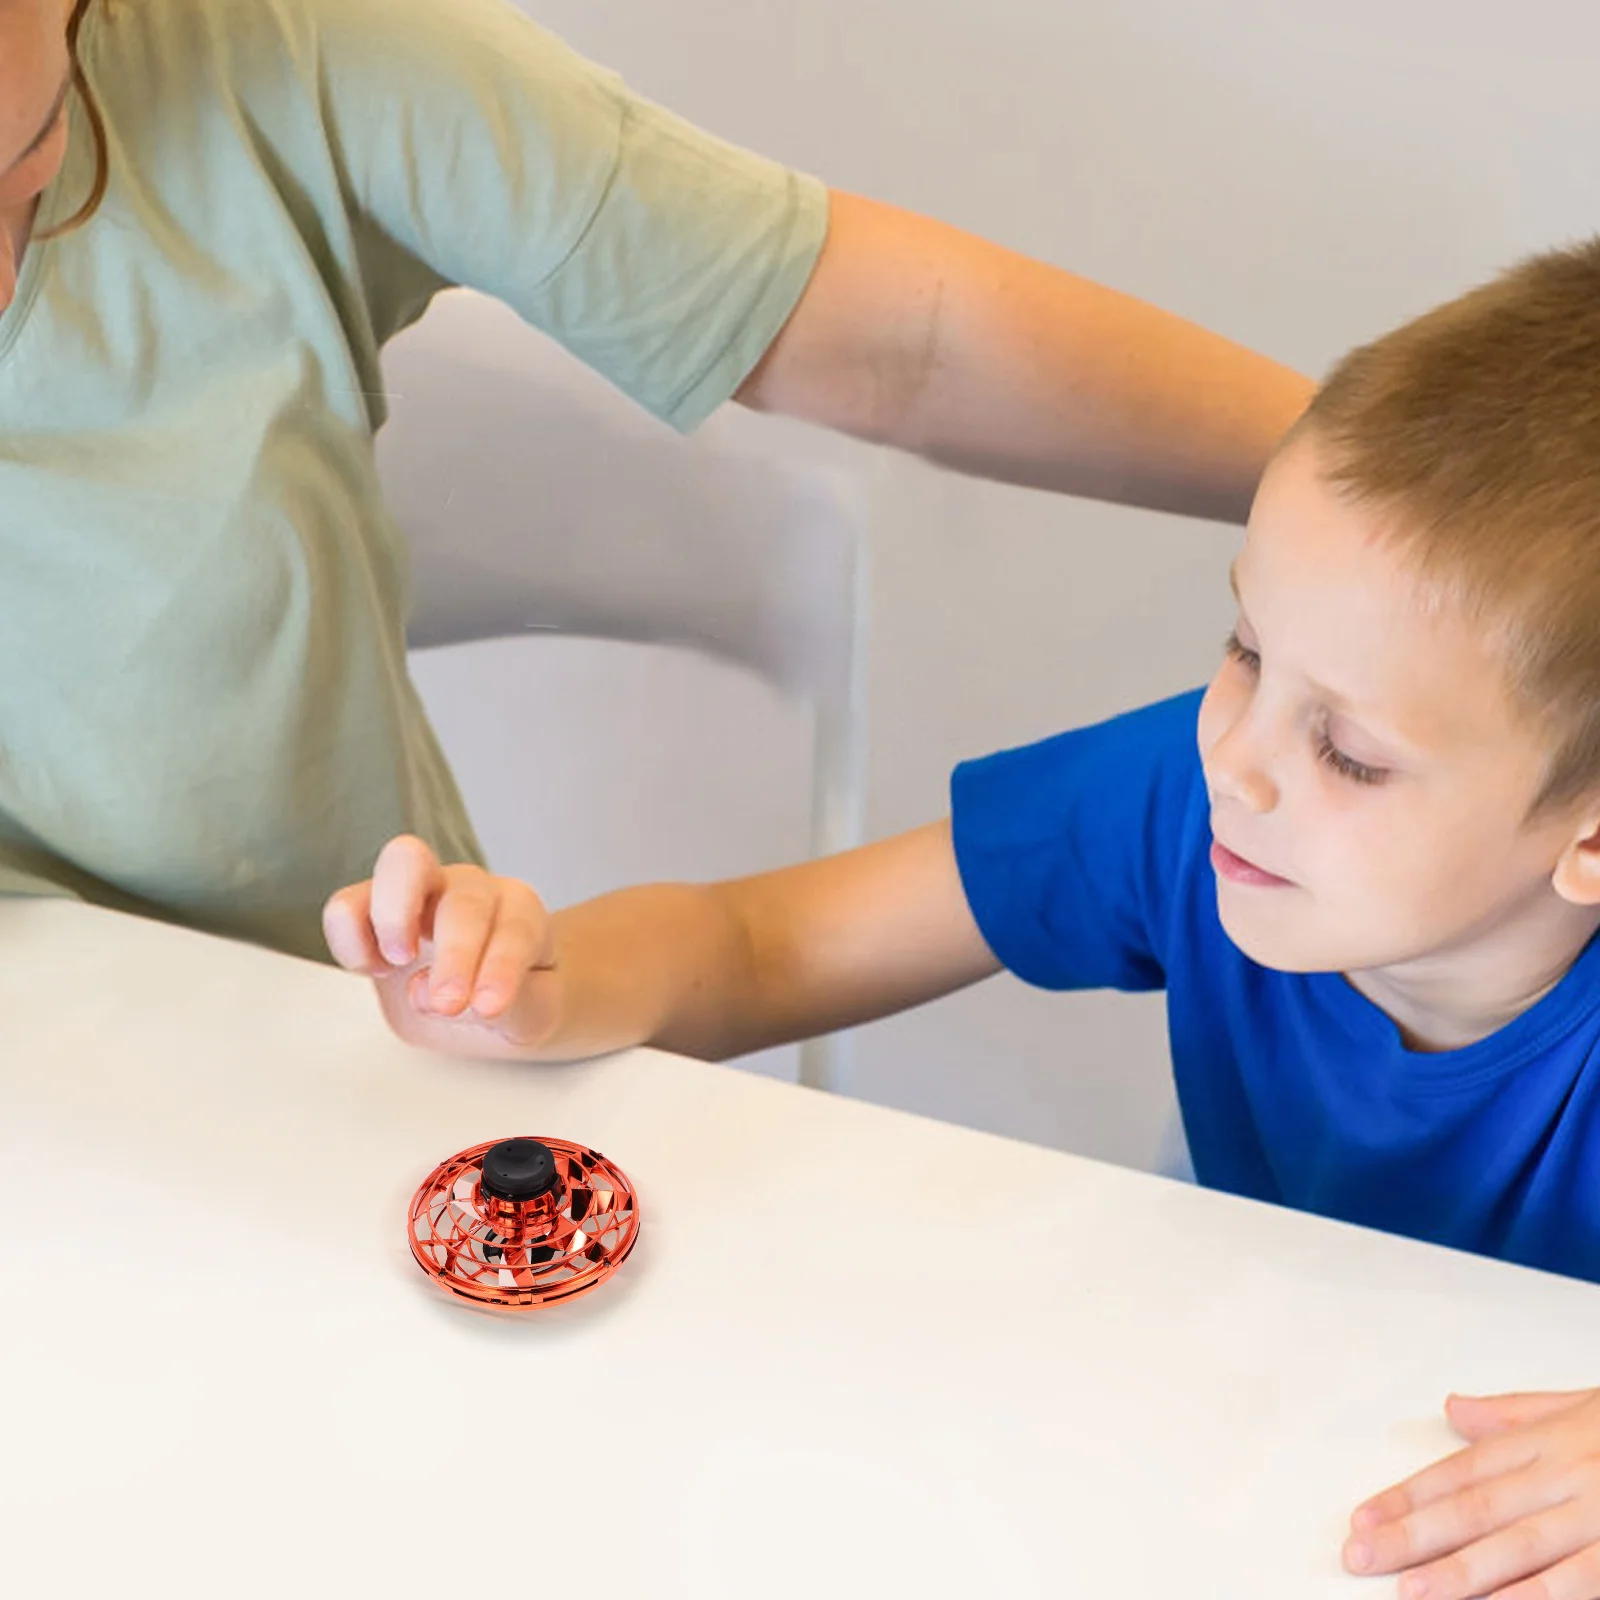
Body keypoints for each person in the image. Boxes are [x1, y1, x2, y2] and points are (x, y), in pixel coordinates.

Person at [328, 239, 1600, 1600]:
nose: (1236, 758)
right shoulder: (1189, 798)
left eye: (1349, 751)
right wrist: (543, 981)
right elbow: (771, 943)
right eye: (1243, 650)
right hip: (1240, 1441)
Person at [0, 0, 1310, 960]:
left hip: (314, 1058)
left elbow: (902, 341)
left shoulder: (286, 54)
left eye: (35, 167)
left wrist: (1386, 492)